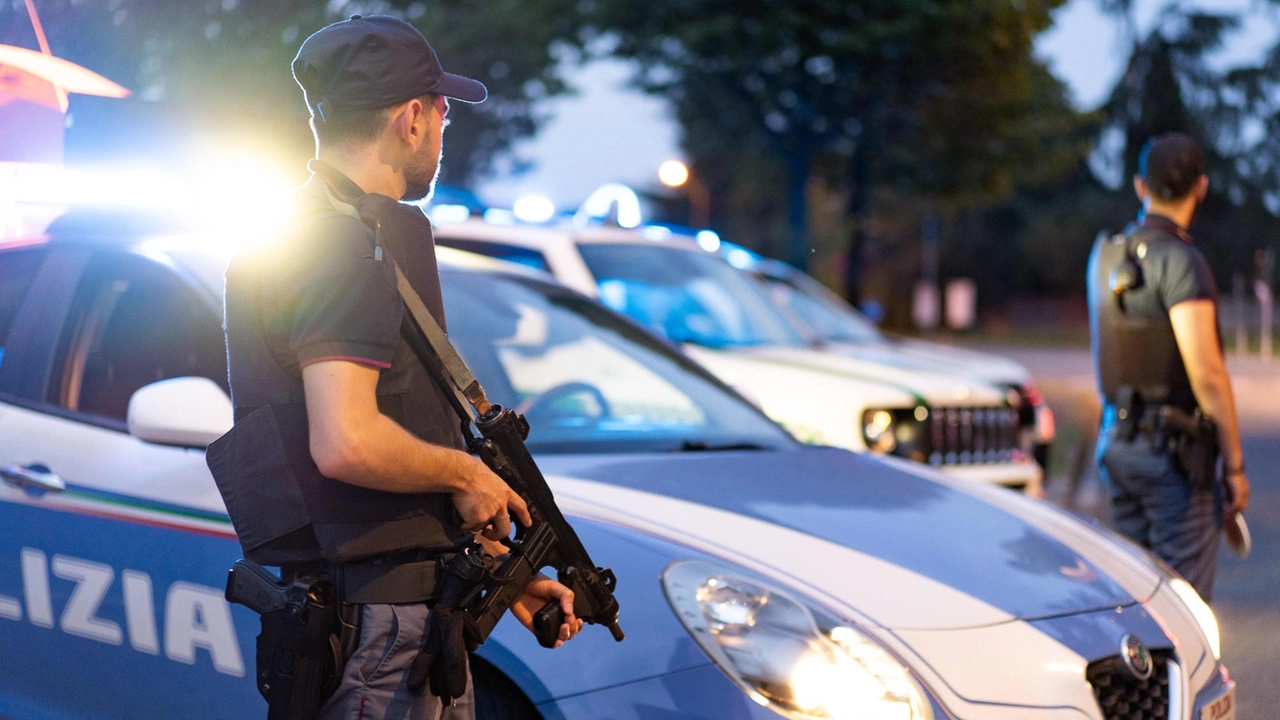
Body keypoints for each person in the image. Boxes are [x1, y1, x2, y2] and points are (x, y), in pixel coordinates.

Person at [217, 15, 582, 720]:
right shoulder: (342, 248)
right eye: (443, 110)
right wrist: (470, 473)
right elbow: (347, 441)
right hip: (379, 639)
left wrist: (510, 575)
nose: (445, 128)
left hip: (387, 618)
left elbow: (390, 450)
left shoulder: (322, 232)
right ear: (412, 119)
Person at [1088, 132, 1250, 602]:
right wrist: (1235, 468)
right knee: (1183, 610)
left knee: (1133, 600)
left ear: (1142, 186)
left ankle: (1138, 677)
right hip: (1172, 458)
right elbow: (1208, 374)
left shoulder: (1105, 255)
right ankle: (1183, 679)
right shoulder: (1182, 261)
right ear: (1200, 187)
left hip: (1116, 443)